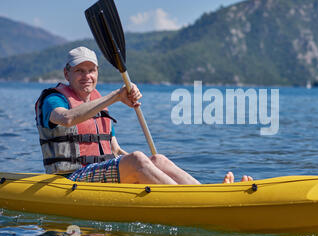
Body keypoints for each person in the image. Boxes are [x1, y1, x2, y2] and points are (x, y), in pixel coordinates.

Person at [35, 46, 252, 185]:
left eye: (91, 70)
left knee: (157, 159)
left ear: (97, 72)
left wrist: (149, 167)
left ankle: (204, 193)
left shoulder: (97, 101)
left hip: (100, 174)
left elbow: (116, 150)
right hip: (69, 179)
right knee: (138, 158)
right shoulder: (53, 99)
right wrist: (117, 96)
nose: (87, 76)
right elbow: (67, 118)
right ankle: (190, 202)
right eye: (79, 71)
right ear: (67, 73)